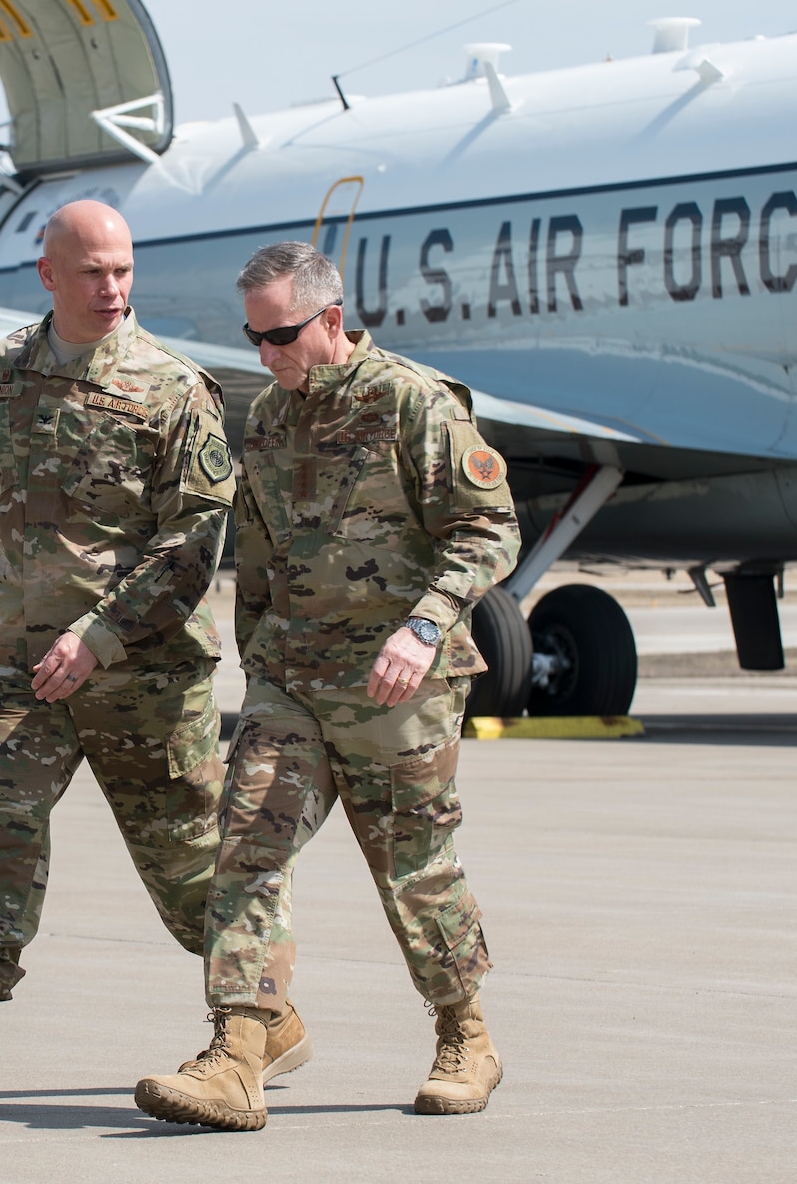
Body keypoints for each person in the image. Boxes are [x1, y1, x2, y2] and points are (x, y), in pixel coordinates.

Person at [0, 200, 309, 1114]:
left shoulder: (173, 387)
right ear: (49, 277)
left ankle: (256, 1021)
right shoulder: (1, 374)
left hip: (143, 674)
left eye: (122, 269)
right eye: (92, 272)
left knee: (192, 868)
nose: (112, 287)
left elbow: (196, 541)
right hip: (21, 670)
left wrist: (101, 635)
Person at [134, 241, 521, 1131]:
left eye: (281, 335)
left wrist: (424, 625)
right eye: (254, 337)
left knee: (413, 869)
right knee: (246, 845)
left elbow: (489, 529)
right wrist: (259, 659)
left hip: (399, 687)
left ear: (333, 320)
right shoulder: (268, 419)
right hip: (296, 682)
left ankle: (467, 1034)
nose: (266, 354)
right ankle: (239, 1048)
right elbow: (260, 555)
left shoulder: (412, 402)